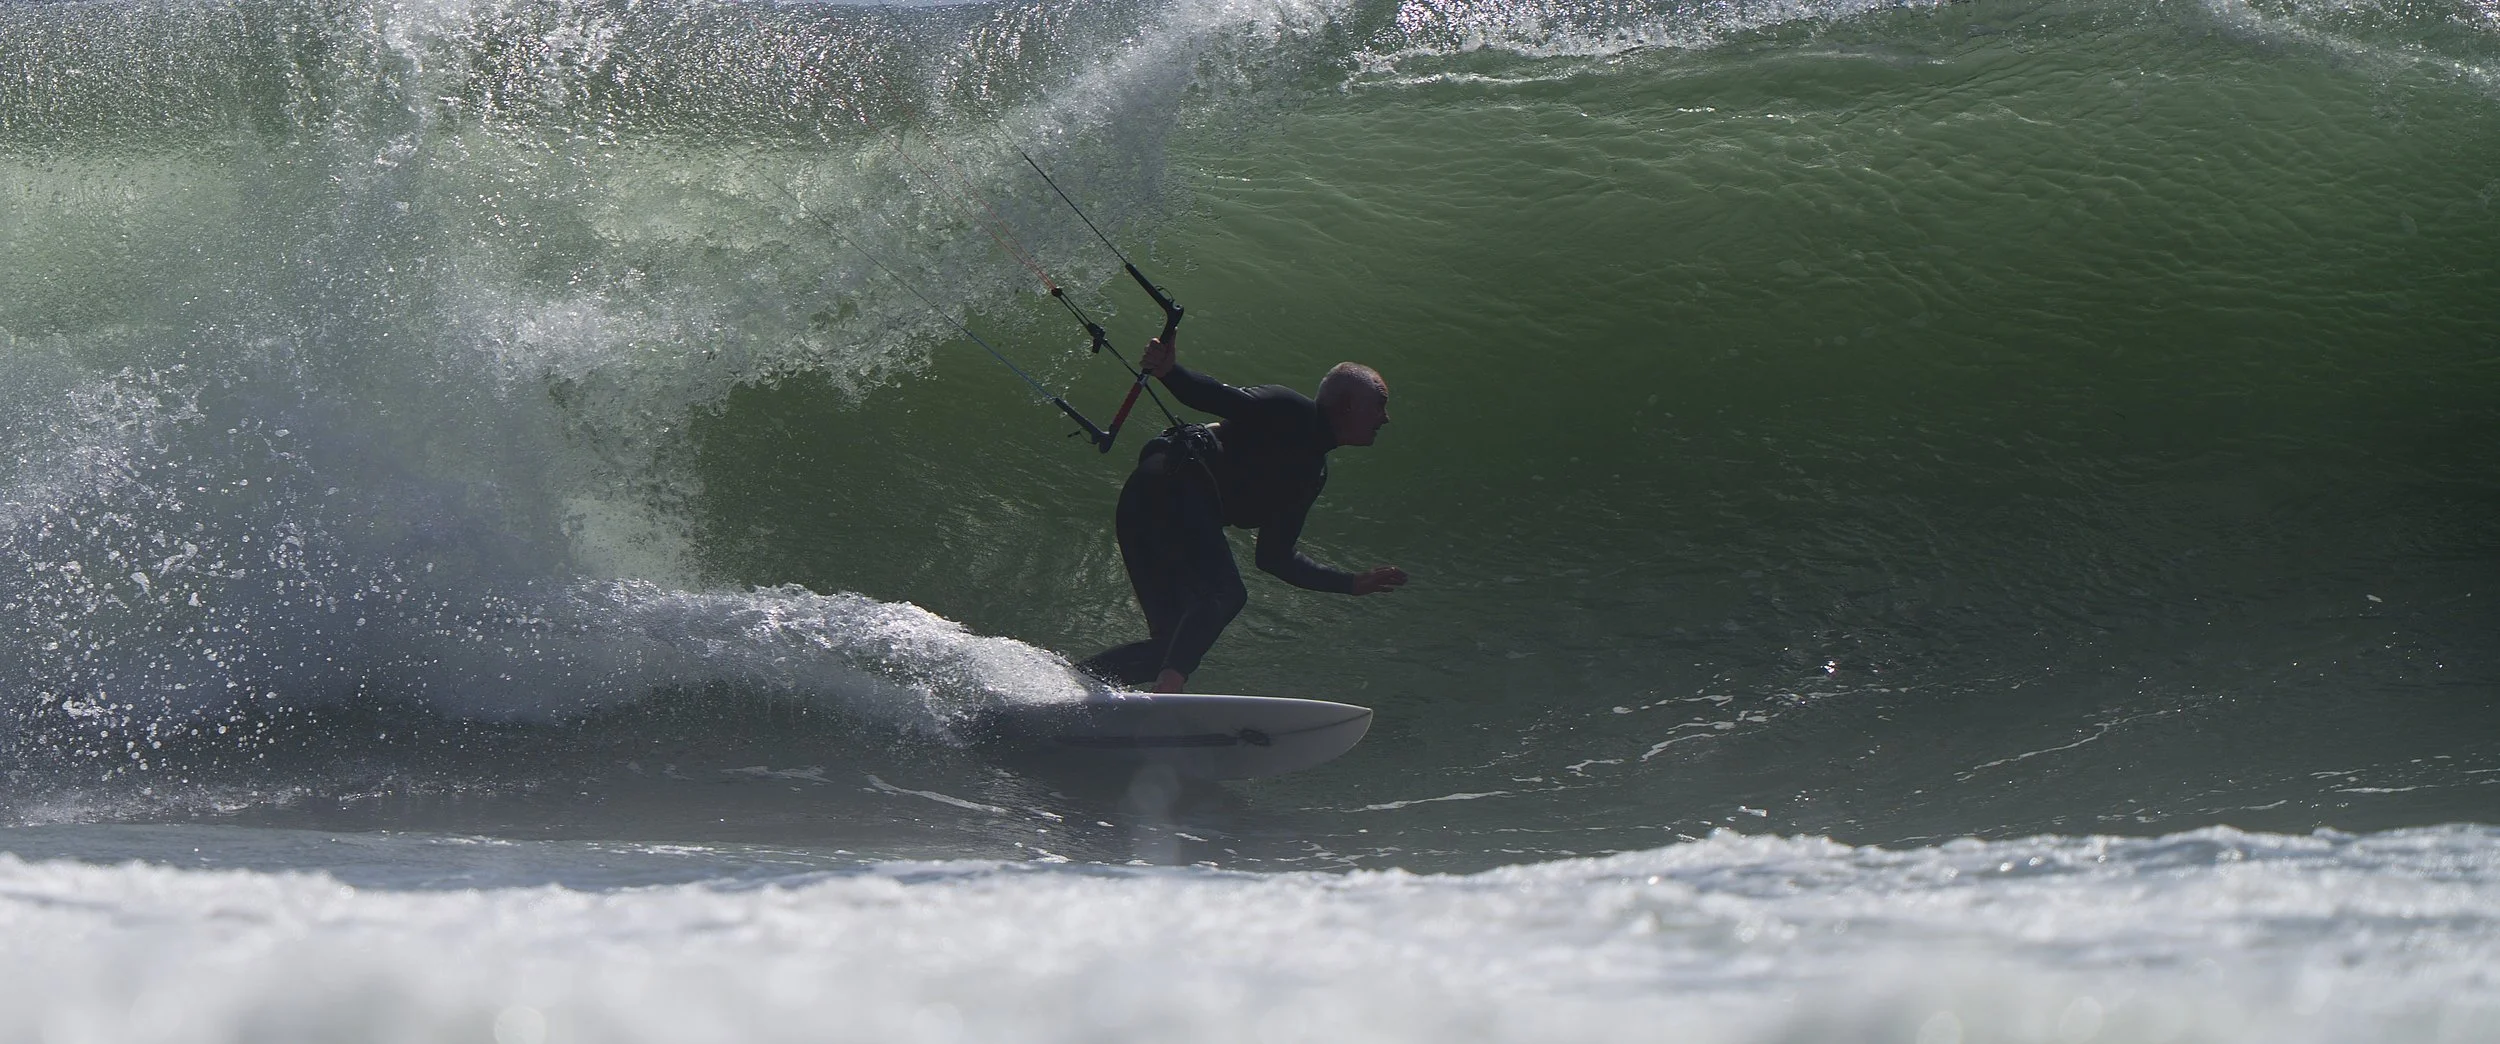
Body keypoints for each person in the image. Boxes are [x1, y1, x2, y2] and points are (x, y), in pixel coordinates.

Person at [1076, 337, 1407, 693]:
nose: (1385, 418)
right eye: (1379, 406)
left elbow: (1274, 557)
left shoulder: (1311, 475)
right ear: (1346, 405)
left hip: (1149, 511)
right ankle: (1169, 689)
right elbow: (1217, 397)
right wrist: (1170, 371)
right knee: (1224, 593)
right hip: (1170, 482)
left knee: (1171, 647)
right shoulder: (1290, 410)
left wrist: (1350, 584)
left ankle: (1063, 687)